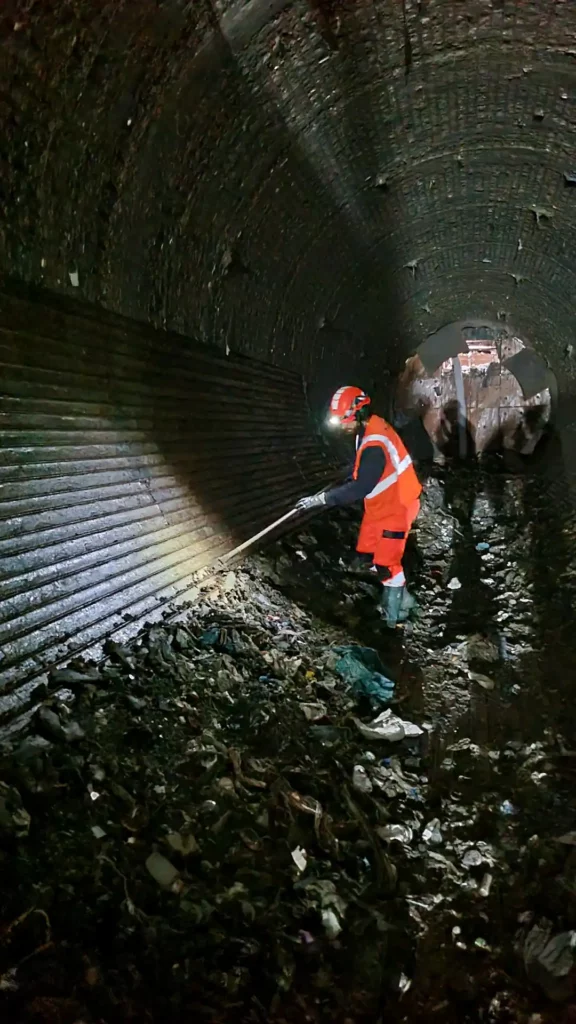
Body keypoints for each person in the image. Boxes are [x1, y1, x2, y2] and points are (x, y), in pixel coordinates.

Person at [295, 386, 422, 627]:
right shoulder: (367, 429)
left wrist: (322, 500)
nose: (342, 426)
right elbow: (360, 468)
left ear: (359, 413)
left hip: (398, 506)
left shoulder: (375, 444)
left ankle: (393, 616)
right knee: (368, 546)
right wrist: (340, 476)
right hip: (382, 503)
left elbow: (361, 486)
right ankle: (402, 599)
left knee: (386, 562)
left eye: (345, 420)